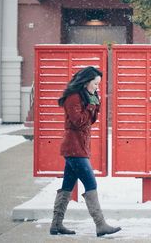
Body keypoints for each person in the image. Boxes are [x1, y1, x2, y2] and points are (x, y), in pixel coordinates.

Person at [50, 66, 121, 237]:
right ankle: (100, 224)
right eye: (95, 84)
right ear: (86, 82)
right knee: (90, 183)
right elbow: (78, 122)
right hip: (74, 149)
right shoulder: (73, 97)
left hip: (78, 147)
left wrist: (95, 105)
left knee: (67, 185)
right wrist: (90, 105)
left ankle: (56, 224)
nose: (97, 87)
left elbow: (91, 120)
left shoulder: (85, 96)